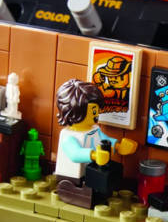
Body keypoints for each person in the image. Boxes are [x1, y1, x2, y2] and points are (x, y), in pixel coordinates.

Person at [54, 79, 137, 207]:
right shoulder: (68, 136)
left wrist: (118, 146)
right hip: (74, 176)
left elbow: (104, 140)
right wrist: (94, 155)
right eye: (93, 111)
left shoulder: (94, 129)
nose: (97, 114)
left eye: (97, 110)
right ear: (75, 111)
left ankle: (99, 191)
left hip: (92, 171)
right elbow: (75, 154)